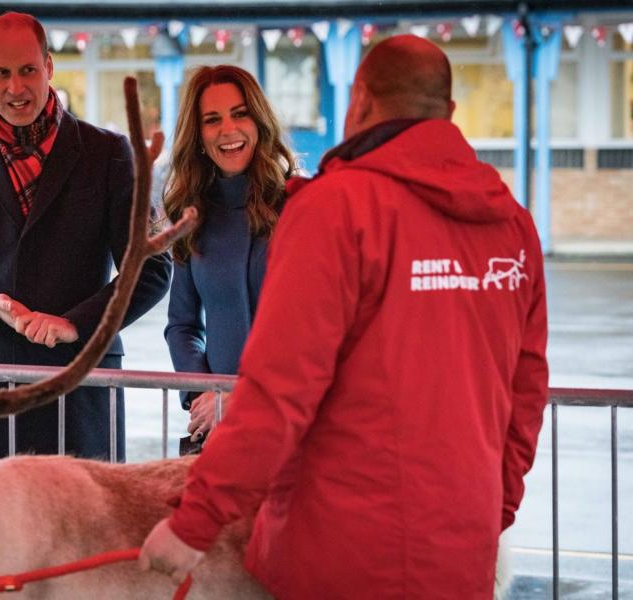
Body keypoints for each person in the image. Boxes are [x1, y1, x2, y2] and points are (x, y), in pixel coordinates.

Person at [140, 35, 549, 599]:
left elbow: (282, 385)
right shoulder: (514, 226)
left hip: (336, 546)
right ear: (449, 113)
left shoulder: (330, 208)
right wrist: (492, 511)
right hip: (458, 544)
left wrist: (196, 521)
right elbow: (525, 396)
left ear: (357, 101)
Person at [0, 12, 171, 462]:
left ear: (48, 67)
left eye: (28, 70)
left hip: (80, 380)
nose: (15, 87)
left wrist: (77, 323)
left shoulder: (108, 154)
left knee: (87, 529)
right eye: (2, 73)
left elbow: (150, 266)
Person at [161, 65, 301, 449]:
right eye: (212, 120)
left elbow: (316, 328)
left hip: (294, 423)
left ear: (259, 121)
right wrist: (204, 395)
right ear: (199, 136)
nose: (228, 130)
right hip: (224, 434)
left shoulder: (302, 204)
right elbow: (182, 326)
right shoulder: (193, 216)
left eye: (240, 114)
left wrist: (243, 398)